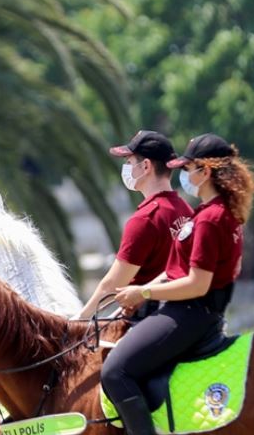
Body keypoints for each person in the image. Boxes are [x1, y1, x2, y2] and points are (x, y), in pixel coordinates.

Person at [106, 133, 254, 435]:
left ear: (205, 172)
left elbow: (197, 284)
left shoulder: (210, 218)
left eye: (188, 169)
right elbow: (176, 271)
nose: (183, 175)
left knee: (115, 371)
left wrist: (142, 291)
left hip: (189, 313)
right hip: (182, 308)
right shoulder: (212, 213)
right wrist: (135, 296)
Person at [77, 130, 193, 320]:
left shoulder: (145, 219)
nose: (126, 168)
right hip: (182, 315)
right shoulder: (187, 211)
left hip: (148, 318)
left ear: (146, 166)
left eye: (129, 162)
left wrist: (79, 319)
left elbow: (112, 285)